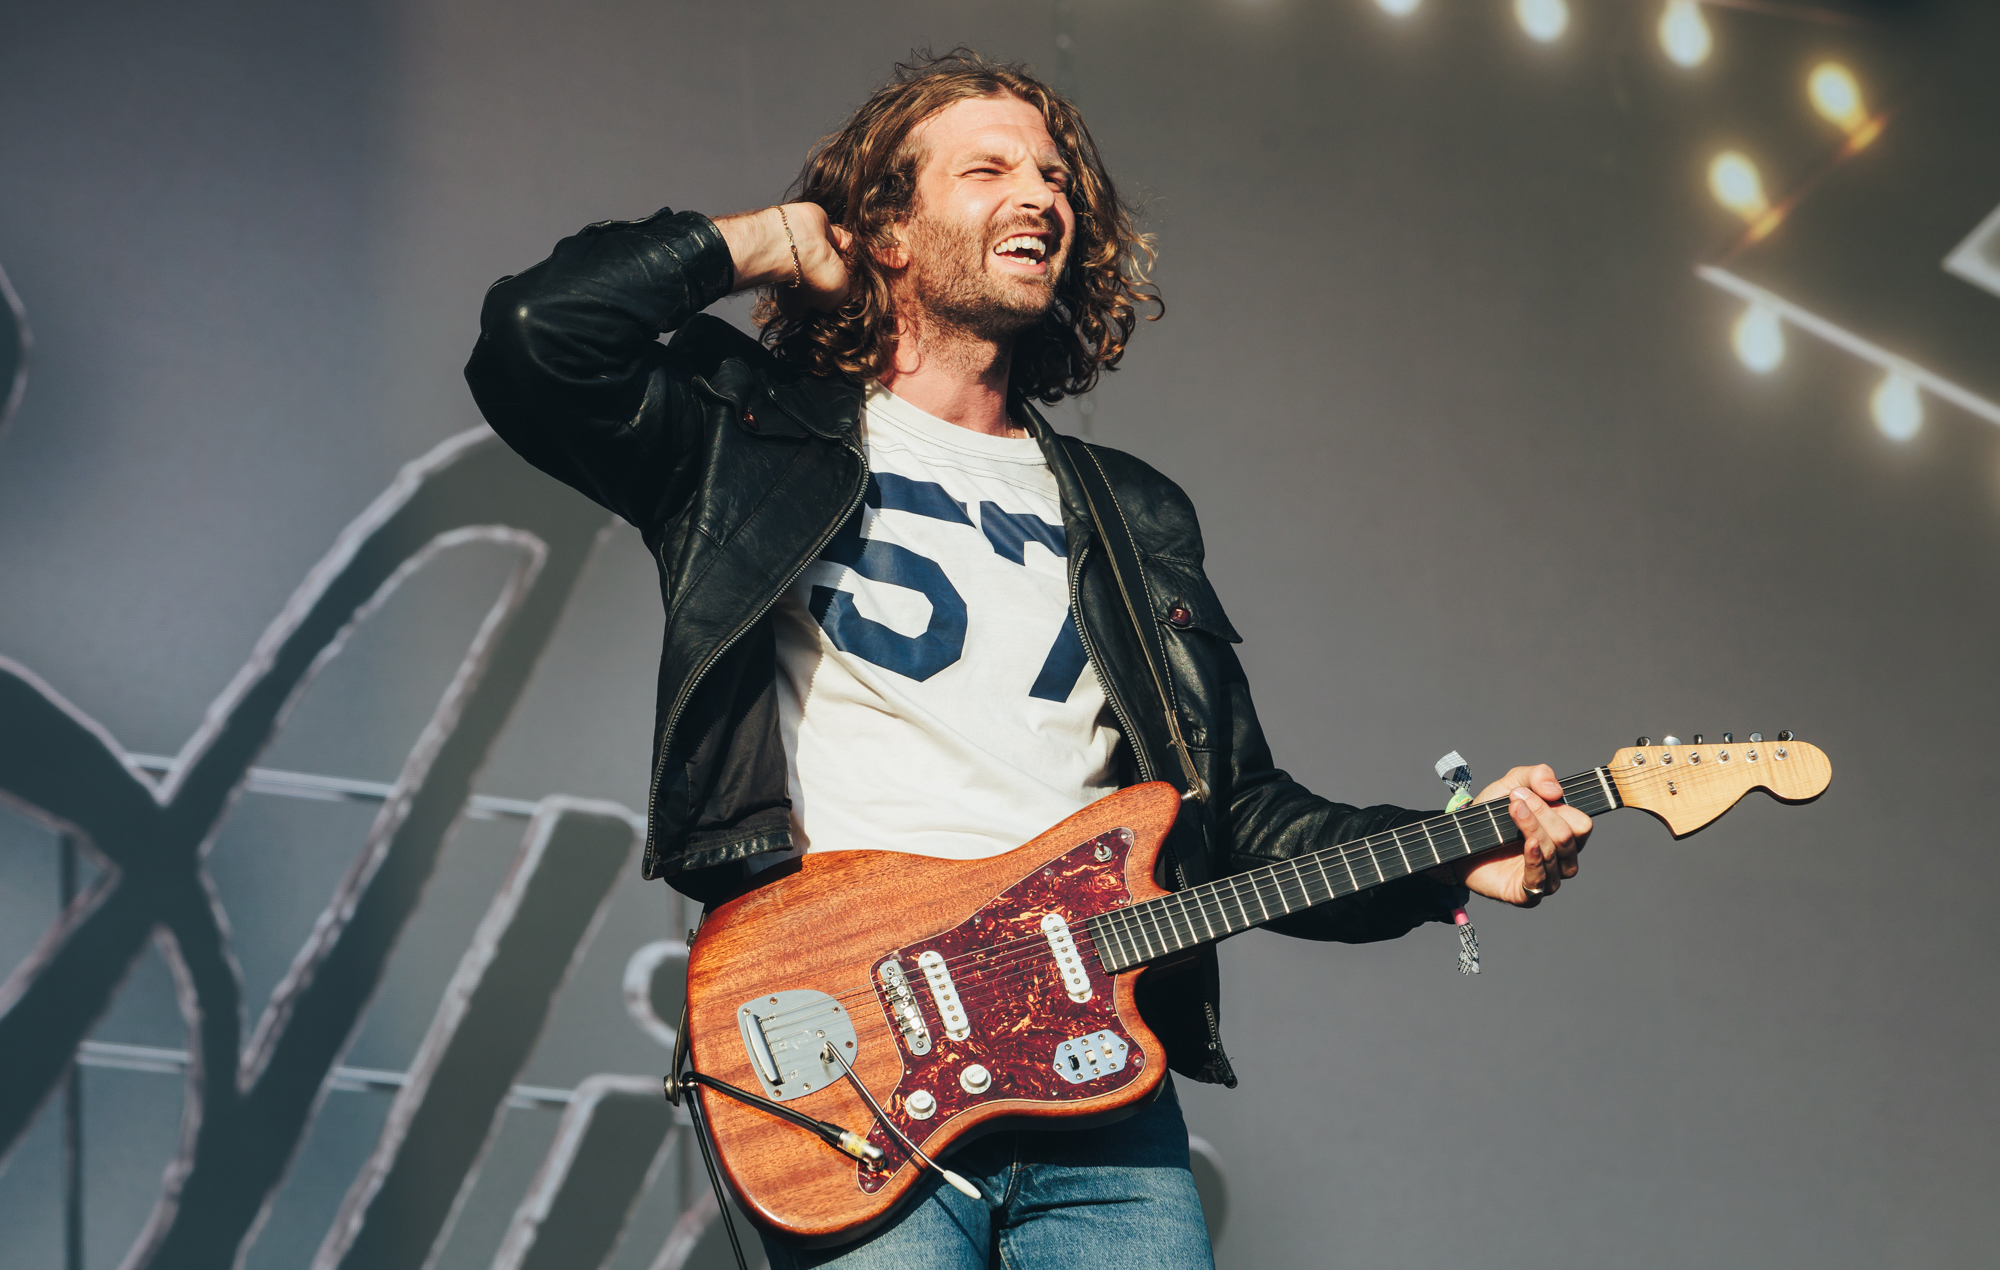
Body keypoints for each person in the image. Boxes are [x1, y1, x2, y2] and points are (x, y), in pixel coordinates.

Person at [466, 48, 1589, 1270]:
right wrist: (773, 239)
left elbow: (1235, 808)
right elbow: (537, 337)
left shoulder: (1133, 513)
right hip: (857, 1040)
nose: (1041, 195)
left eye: (1054, 176)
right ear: (885, 231)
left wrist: (1446, 857)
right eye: (987, 167)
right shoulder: (749, 436)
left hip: (1095, 1076)